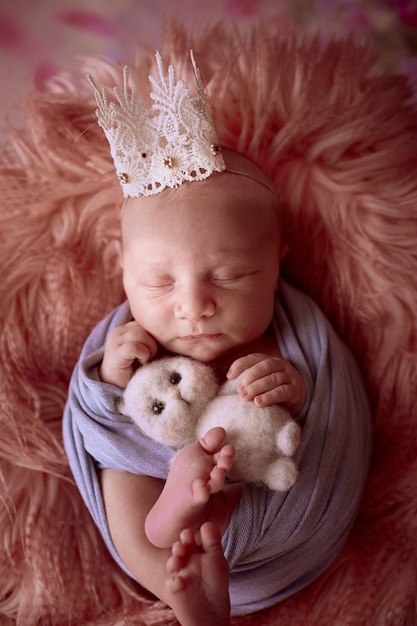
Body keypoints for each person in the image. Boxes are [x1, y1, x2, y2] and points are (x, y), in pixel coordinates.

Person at [63, 53, 371, 626]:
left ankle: (196, 560)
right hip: (158, 508)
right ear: (124, 269)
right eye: (158, 282)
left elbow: (324, 415)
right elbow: (101, 419)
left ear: (277, 265)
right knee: (123, 475)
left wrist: (295, 390)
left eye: (231, 276)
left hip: (262, 526)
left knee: (235, 464)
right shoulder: (133, 338)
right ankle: (167, 551)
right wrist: (111, 377)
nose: (193, 305)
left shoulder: (292, 332)